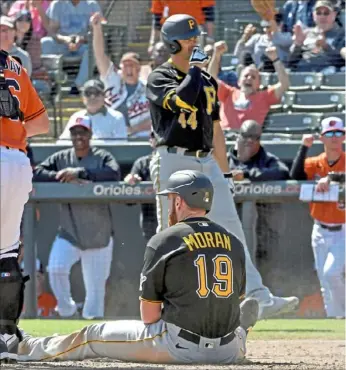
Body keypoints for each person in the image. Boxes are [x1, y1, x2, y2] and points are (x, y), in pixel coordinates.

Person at [18, 170, 259, 364]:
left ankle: (29, 347)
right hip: (227, 351)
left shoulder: (166, 239)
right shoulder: (234, 242)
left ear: (179, 201)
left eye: (170, 198)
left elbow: (149, 316)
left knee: (92, 335)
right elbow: (233, 303)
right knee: (230, 322)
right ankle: (242, 335)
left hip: (177, 346)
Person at [146, 14, 298, 320]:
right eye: (188, 39)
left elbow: (215, 127)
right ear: (172, 42)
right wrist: (197, 70)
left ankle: (258, 296)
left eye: (195, 38)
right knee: (171, 233)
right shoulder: (160, 76)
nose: (194, 43)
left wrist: (224, 172)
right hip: (173, 158)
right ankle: (160, 305)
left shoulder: (204, 80)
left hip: (206, 160)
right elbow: (182, 103)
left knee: (232, 229)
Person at [33, 118, 120, 320]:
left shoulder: (101, 156)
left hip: (99, 235)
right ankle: (67, 311)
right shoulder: (62, 157)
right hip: (69, 232)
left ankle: (92, 336)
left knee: (95, 292)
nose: (78, 137)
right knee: (56, 268)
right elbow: (37, 172)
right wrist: (62, 176)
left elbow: (114, 172)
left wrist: (81, 173)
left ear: (90, 135)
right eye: (75, 133)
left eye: (83, 132)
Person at [0, 14, 49, 363]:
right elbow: (42, 124)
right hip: (15, 162)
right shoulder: (15, 66)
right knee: (5, 252)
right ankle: (6, 334)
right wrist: (12, 132)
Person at [290, 116, 345, 318]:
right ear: (322, 138)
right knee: (325, 279)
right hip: (319, 228)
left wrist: (331, 177)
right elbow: (294, 175)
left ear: (344, 136)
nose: (334, 138)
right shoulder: (315, 162)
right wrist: (304, 147)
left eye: (338, 133)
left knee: (332, 273)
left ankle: (343, 313)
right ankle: (335, 319)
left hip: (343, 229)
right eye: (329, 134)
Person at [229, 120, 289, 274]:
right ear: (238, 136)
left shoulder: (266, 159)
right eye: (246, 136)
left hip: (261, 231)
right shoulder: (225, 160)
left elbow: (282, 172)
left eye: (255, 137)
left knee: (264, 271)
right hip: (229, 225)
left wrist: (247, 175)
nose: (250, 140)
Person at [91, 13, 151, 138]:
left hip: (139, 136)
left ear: (139, 69)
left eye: (132, 66)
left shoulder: (148, 89)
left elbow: (158, 118)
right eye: (125, 65)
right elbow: (100, 55)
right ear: (120, 68)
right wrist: (97, 29)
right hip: (109, 134)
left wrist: (133, 129)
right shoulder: (113, 80)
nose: (128, 69)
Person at [208, 41, 289, 130]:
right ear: (239, 81)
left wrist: (275, 59)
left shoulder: (265, 97)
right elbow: (211, 79)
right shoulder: (228, 93)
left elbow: (284, 84)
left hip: (248, 139)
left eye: (253, 77)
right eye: (246, 76)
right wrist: (216, 54)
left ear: (259, 84)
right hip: (225, 138)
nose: (249, 78)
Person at [41, 0, 102, 95]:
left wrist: (81, 39)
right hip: (62, 44)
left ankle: (77, 86)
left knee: (94, 48)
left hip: (83, 45)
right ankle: (51, 82)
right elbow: (52, 31)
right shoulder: (57, 4)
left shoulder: (92, 5)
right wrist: (66, 40)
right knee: (45, 43)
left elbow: (95, 32)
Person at [58, 79, 127, 141]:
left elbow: (121, 144)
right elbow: (62, 141)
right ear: (83, 98)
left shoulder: (116, 117)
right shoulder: (76, 117)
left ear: (104, 96)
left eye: (97, 93)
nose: (92, 97)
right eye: (88, 93)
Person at [288, 0, 345, 73]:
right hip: (303, 76)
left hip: (329, 77)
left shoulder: (342, 35)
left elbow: (341, 63)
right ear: (313, 15)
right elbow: (290, 63)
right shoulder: (305, 34)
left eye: (326, 13)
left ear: (334, 14)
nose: (322, 16)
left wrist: (326, 47)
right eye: (318, 13)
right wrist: (298, 45)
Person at [148, 0, 215, 55]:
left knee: (194, 62)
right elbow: (157, 18)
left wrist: (210, 39)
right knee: (169, 64)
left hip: (192, 30)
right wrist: (152, 43)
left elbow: (208, 14)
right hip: (169, 32)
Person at [124, 132, 158, 242]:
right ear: (150, 141)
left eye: (160, 136)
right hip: (151, 221)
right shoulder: (142, 163)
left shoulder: (178, 162)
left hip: (175, 218)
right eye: (154, 136)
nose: (158, 139)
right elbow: (129, 200)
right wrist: (131, 181)